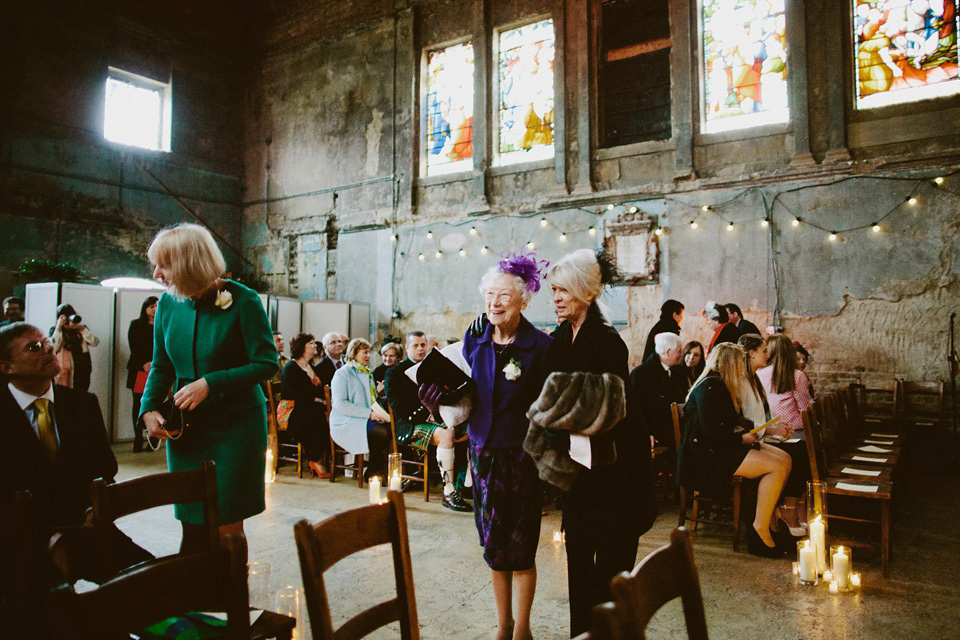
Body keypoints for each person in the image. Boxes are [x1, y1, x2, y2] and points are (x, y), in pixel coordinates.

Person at [0, 323, 152, 625]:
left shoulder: (82, 403)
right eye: (33, 348)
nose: (48, 349)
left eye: (45, 342)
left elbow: (104, 468)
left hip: (84, 527)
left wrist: (92, 508)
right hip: (19, 539)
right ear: (7, 367)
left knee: (152, 580)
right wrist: (52, 538)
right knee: (41, 611)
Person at [140, 223, 277, 554]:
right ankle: (194, 596)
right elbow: (161, 365)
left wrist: (211, 383)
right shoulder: (168, 305)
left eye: (164, 265)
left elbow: (266, 364)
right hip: (187, 428)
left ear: (189, 263)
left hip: (236, 428)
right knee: (191, 516)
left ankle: (232, 597)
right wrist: (148, 408)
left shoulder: (243, 301)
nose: (157, 274)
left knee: (228, 522)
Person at [547, 249, 656, 637]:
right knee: (577, 558)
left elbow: (599, 412)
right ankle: (582, 635)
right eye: (554, 289)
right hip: (582, 472)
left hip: (616, 474)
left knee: (611, 571)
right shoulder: (563, 333)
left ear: (586, 292)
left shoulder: (606, 341)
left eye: (563, 289)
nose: (555, 297)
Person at [462, 252, 554, 640]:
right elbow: (463, 389)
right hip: (482, 453)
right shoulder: (475, 337)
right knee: (494, 546)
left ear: (523, 299)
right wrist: (440, 400)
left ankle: (523, 628)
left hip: (522, 457)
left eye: (503, 295)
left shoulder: (542, 347)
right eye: (489, 294)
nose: (494, 302)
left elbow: (550, 407)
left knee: (521, 546)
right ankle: (502, 625)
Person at [677, 343, 794, 557]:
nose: (743, 366)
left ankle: (770, 521)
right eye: (740, 362)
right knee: (776, 467)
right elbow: (711, 433)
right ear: (730, 363)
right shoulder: (710, 387)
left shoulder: (721, 384)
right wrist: (741, 438)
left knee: (785, 459)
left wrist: (748, 431)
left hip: (720, 448)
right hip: (707, 458)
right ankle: (759, 528)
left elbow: (727, 422)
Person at [388, 331, 471, 512]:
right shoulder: (394, 373)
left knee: (473, 427)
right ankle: (449, 492)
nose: (420, 349)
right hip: (409, 427)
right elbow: (399, 410)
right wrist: (428, 410)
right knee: (446, 432)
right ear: (407, 347)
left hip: (437, 419)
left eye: (423, 345)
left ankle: (468, 484)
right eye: (415, 345)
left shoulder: (434, 367)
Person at [740, 333, 807, 533]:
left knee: (798, 451)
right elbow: (804, 410)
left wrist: (772, 429)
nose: (767, 355)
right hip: (761, 435)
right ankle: (786, 509)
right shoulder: (795, 375)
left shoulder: (756, 375)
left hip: (765, 432)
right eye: (763, 351)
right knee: (801, 451)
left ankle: (783, 508)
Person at [329, 338, 392, 480]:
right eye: (365, 352)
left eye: (369, 352)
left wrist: (380, 394)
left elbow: (369, 400)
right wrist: (369, 414)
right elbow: (340, 404)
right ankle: (373, 470)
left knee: (390, 429)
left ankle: (376, 468)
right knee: (381, 432)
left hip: (363, 418)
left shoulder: (366, 373)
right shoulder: (342, 374)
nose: (368, 356)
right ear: (354, 353)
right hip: (347, 420)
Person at [281, 333, 331, 478]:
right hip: (291, 409)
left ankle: (319, 457)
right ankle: (316, 459)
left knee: (322, 413)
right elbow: (297, 393)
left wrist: (321, 400)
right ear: (301, 347)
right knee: (316, 414)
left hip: (308, 406)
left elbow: (319, 390)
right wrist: (318, 400)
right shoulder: (291, 367)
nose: (315, 345)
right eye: (311, 343)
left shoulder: (312, 366)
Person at [631, 332, 686, 450]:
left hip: (676, 436)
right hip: (655, 437)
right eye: (679, 351)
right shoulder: (641, 374)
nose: (681, 355)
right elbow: (636, 408)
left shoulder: (679, 371)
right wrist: (647, 432)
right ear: (667, 352)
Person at [757, 335, 815, 433]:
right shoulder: (796, 375)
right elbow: (805, 409)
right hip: (794, 429)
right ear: (790, 352)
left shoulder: (758, 373)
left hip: (769, 428)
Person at [127, 296, 158, 452]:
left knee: (155, 404)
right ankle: (138, 437)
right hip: (139, 370)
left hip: (157, 370)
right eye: (152, 306)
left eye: (157, 306)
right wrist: (143, 364)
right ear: (145, 308)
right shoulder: (136, 325)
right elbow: (134, 346)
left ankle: (153, 438)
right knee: (138, 404)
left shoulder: (162, 324)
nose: (154, 310)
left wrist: (154, 363)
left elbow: (165, 346)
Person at [51, 303, 99, 391]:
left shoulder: (80, 329)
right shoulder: (55, 330)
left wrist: (82, 329)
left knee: (80, 396)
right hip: (64, 371)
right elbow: (54, 348)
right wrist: (58, 328)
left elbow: (94, 342)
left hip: (81, 369)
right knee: (64, 396)